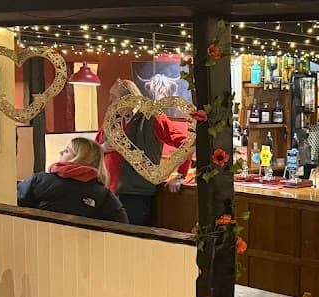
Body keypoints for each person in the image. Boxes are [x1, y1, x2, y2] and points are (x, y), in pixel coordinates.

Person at [97, 79, 191, 226]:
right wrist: (102, 148)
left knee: (132, 238)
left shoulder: (153, 118)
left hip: (137, 195)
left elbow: (186, 143)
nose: (109, 101)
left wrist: (181, 175)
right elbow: (93, 148)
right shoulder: (112, 120)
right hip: (109, 192)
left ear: (128, 98)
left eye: (113, 96)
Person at [17, 137, 128, 223]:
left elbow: (13, 205)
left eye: (67, 151)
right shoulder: (104, 196)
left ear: (80, 157)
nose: (61, 152)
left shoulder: (40, 180)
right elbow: (121, 227)